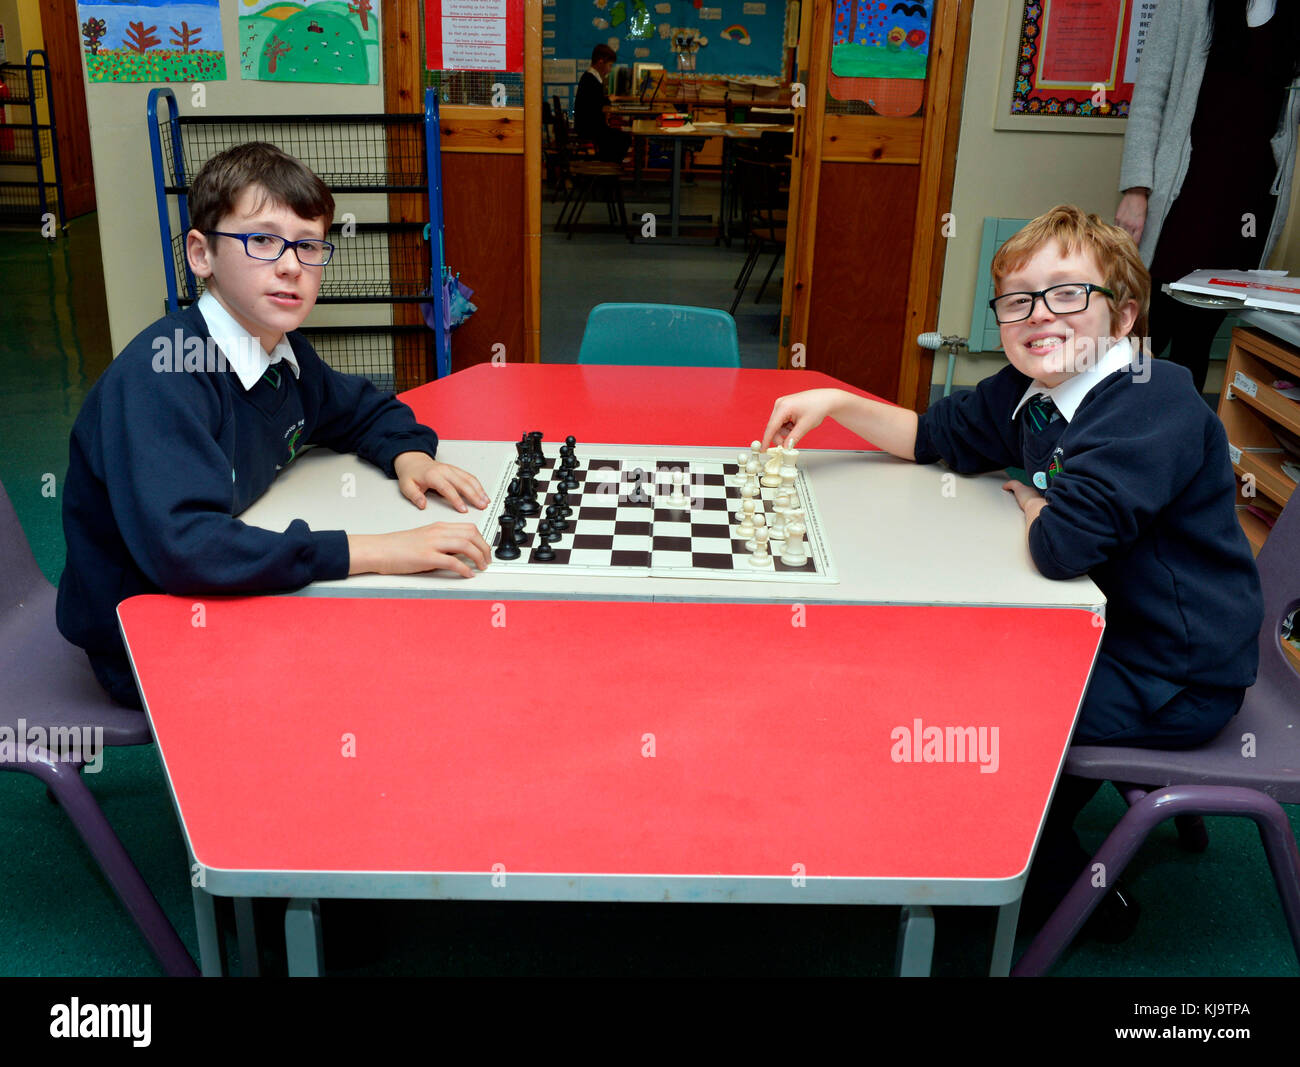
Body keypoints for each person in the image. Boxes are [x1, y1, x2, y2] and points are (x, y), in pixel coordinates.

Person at [762, 204, 1263, 936]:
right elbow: (933, 437)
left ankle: (1060, 885)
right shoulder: (1032, 393)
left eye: (1067, 293)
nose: (1038, 314)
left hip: (1174, 673)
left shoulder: (1151, 401)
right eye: (1017, 299)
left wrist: (1034, 504)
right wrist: (837, 399)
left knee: (979, 710)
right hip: (1098, 626)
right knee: (950, 666)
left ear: (1123, 317)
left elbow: (1061, 546)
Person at [57, 142, 492, 710]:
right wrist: (380, 551)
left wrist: (412, 456)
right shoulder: (162, 377)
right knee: (381, 668)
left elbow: (363, 409)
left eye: (309, 246)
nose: (291, 265)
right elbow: (189, 551)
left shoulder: (282, 354)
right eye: (262, 241)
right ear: (201, 254)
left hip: (221, 592)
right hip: (145, 633)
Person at [1116, 0, 1300, 393]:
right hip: (1182, 194)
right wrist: (1136, 188)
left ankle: (1174, 449)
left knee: (1195, 343)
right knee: (1139, 337)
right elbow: (1151, 93)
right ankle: (1097, 441)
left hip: (1248, 204)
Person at [574, 43, 631, 163]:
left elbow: (594, 100)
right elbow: (595, 104)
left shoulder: (591, 78)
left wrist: (606, 100)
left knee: (619, 137)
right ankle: (608, 168)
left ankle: (607, 165)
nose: (610, 70)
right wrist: (608, 100)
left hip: (590, 126)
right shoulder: (591, 79)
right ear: (600, 63)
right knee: (624, 138)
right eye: (610, 65)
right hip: (589, 128)